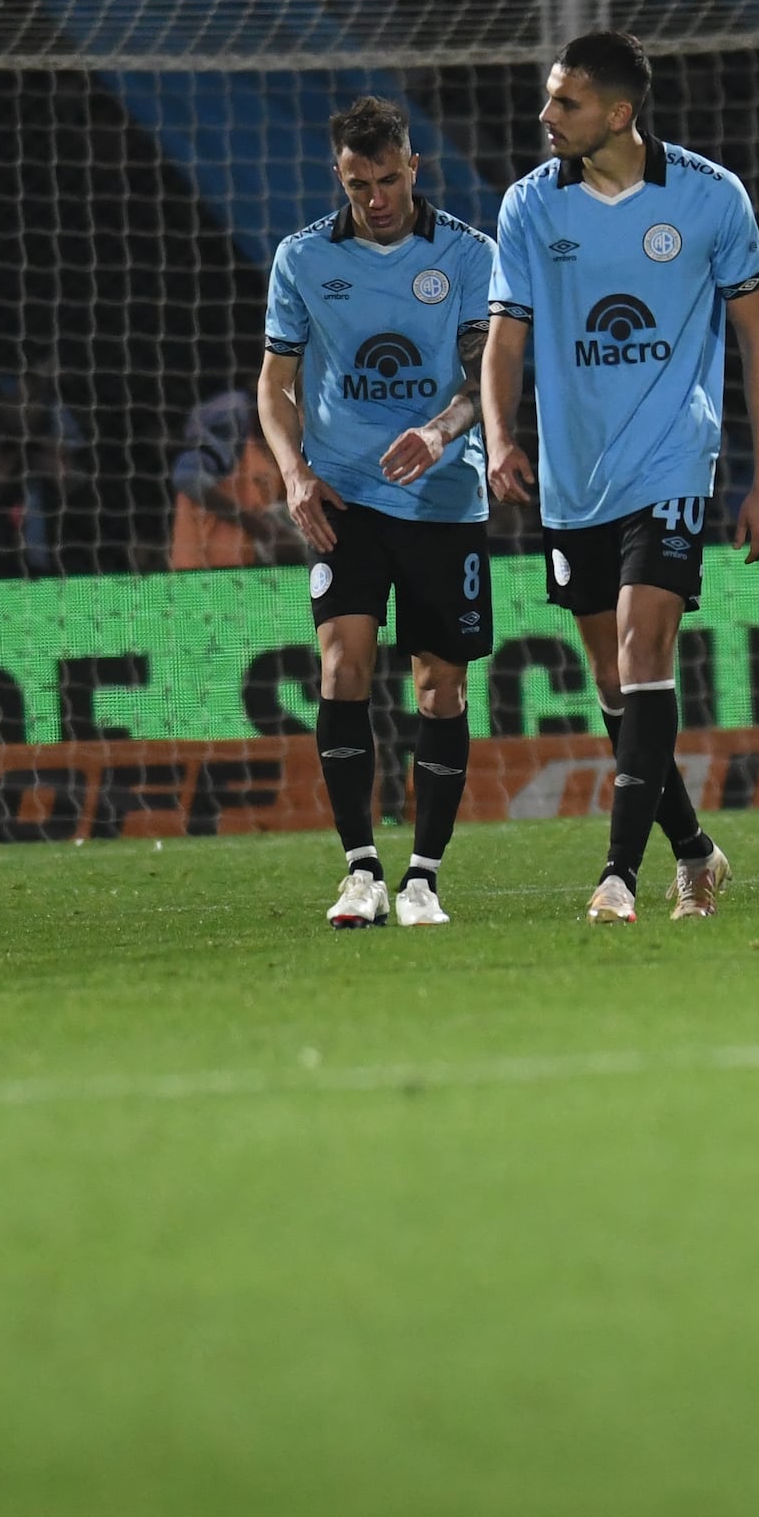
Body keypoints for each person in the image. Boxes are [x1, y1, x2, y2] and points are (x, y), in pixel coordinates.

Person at [481, 30, 759, 927]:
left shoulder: (710, 197)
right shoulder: (530, 207)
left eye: (563, 102)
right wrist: (499, 439)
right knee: (615, 687)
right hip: (576, 475)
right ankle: (694, 848)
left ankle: (619, 873)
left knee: (643, 648)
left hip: (673, 459)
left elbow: (758, 347)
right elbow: (506, 337)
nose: (545, 116)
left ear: (618, 113)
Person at [257, 98, 501, 931]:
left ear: (413, 166)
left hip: (442, 499)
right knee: (340, 668)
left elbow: (487, 382)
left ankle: (423, 877)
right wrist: (293, 472)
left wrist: (439, 431)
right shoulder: (301, 258)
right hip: (345, 495)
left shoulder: (469, 255)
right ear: (340, 175)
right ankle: (360, 870)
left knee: (440, 687)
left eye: (389, 178)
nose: (377, 197)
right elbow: (275, 384)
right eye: (359, 183)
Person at [166, 380, 306, 569]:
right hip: (202, 573)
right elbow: (187, 475)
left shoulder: (280, 447)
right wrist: (263, 530)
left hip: (248, 575)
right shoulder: (234, 417)